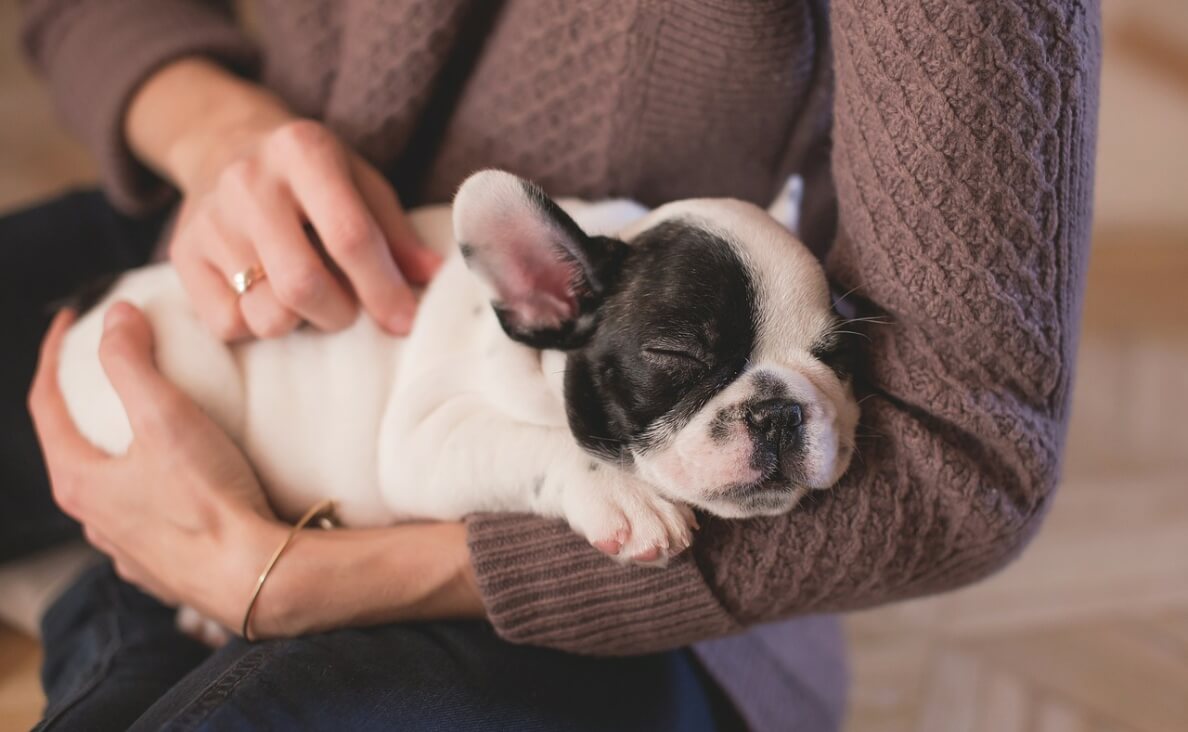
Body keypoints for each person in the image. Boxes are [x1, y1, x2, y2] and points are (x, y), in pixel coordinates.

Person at [4, 1, 1100, 729]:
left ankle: (114, 610)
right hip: (229, 267)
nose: (775, 412)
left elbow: (968, 458)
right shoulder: (562, 289)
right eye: (687, 368)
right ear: (539, 297)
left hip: (580, 589)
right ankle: (121, 600)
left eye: (822, 363)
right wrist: (214, 129)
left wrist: (298, 582)